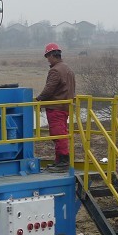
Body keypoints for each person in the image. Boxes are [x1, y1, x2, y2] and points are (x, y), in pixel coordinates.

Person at [36, 43, 76, 172]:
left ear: (53, 55)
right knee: (60, 133)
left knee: (59, 134)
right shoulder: (68, 69)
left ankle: (63, 162)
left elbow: (49, 89)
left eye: (48, 56)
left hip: (56, 107)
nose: (48, 59)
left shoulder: (55, 70)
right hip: (65, 106)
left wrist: (38, 99)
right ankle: (59, 161)